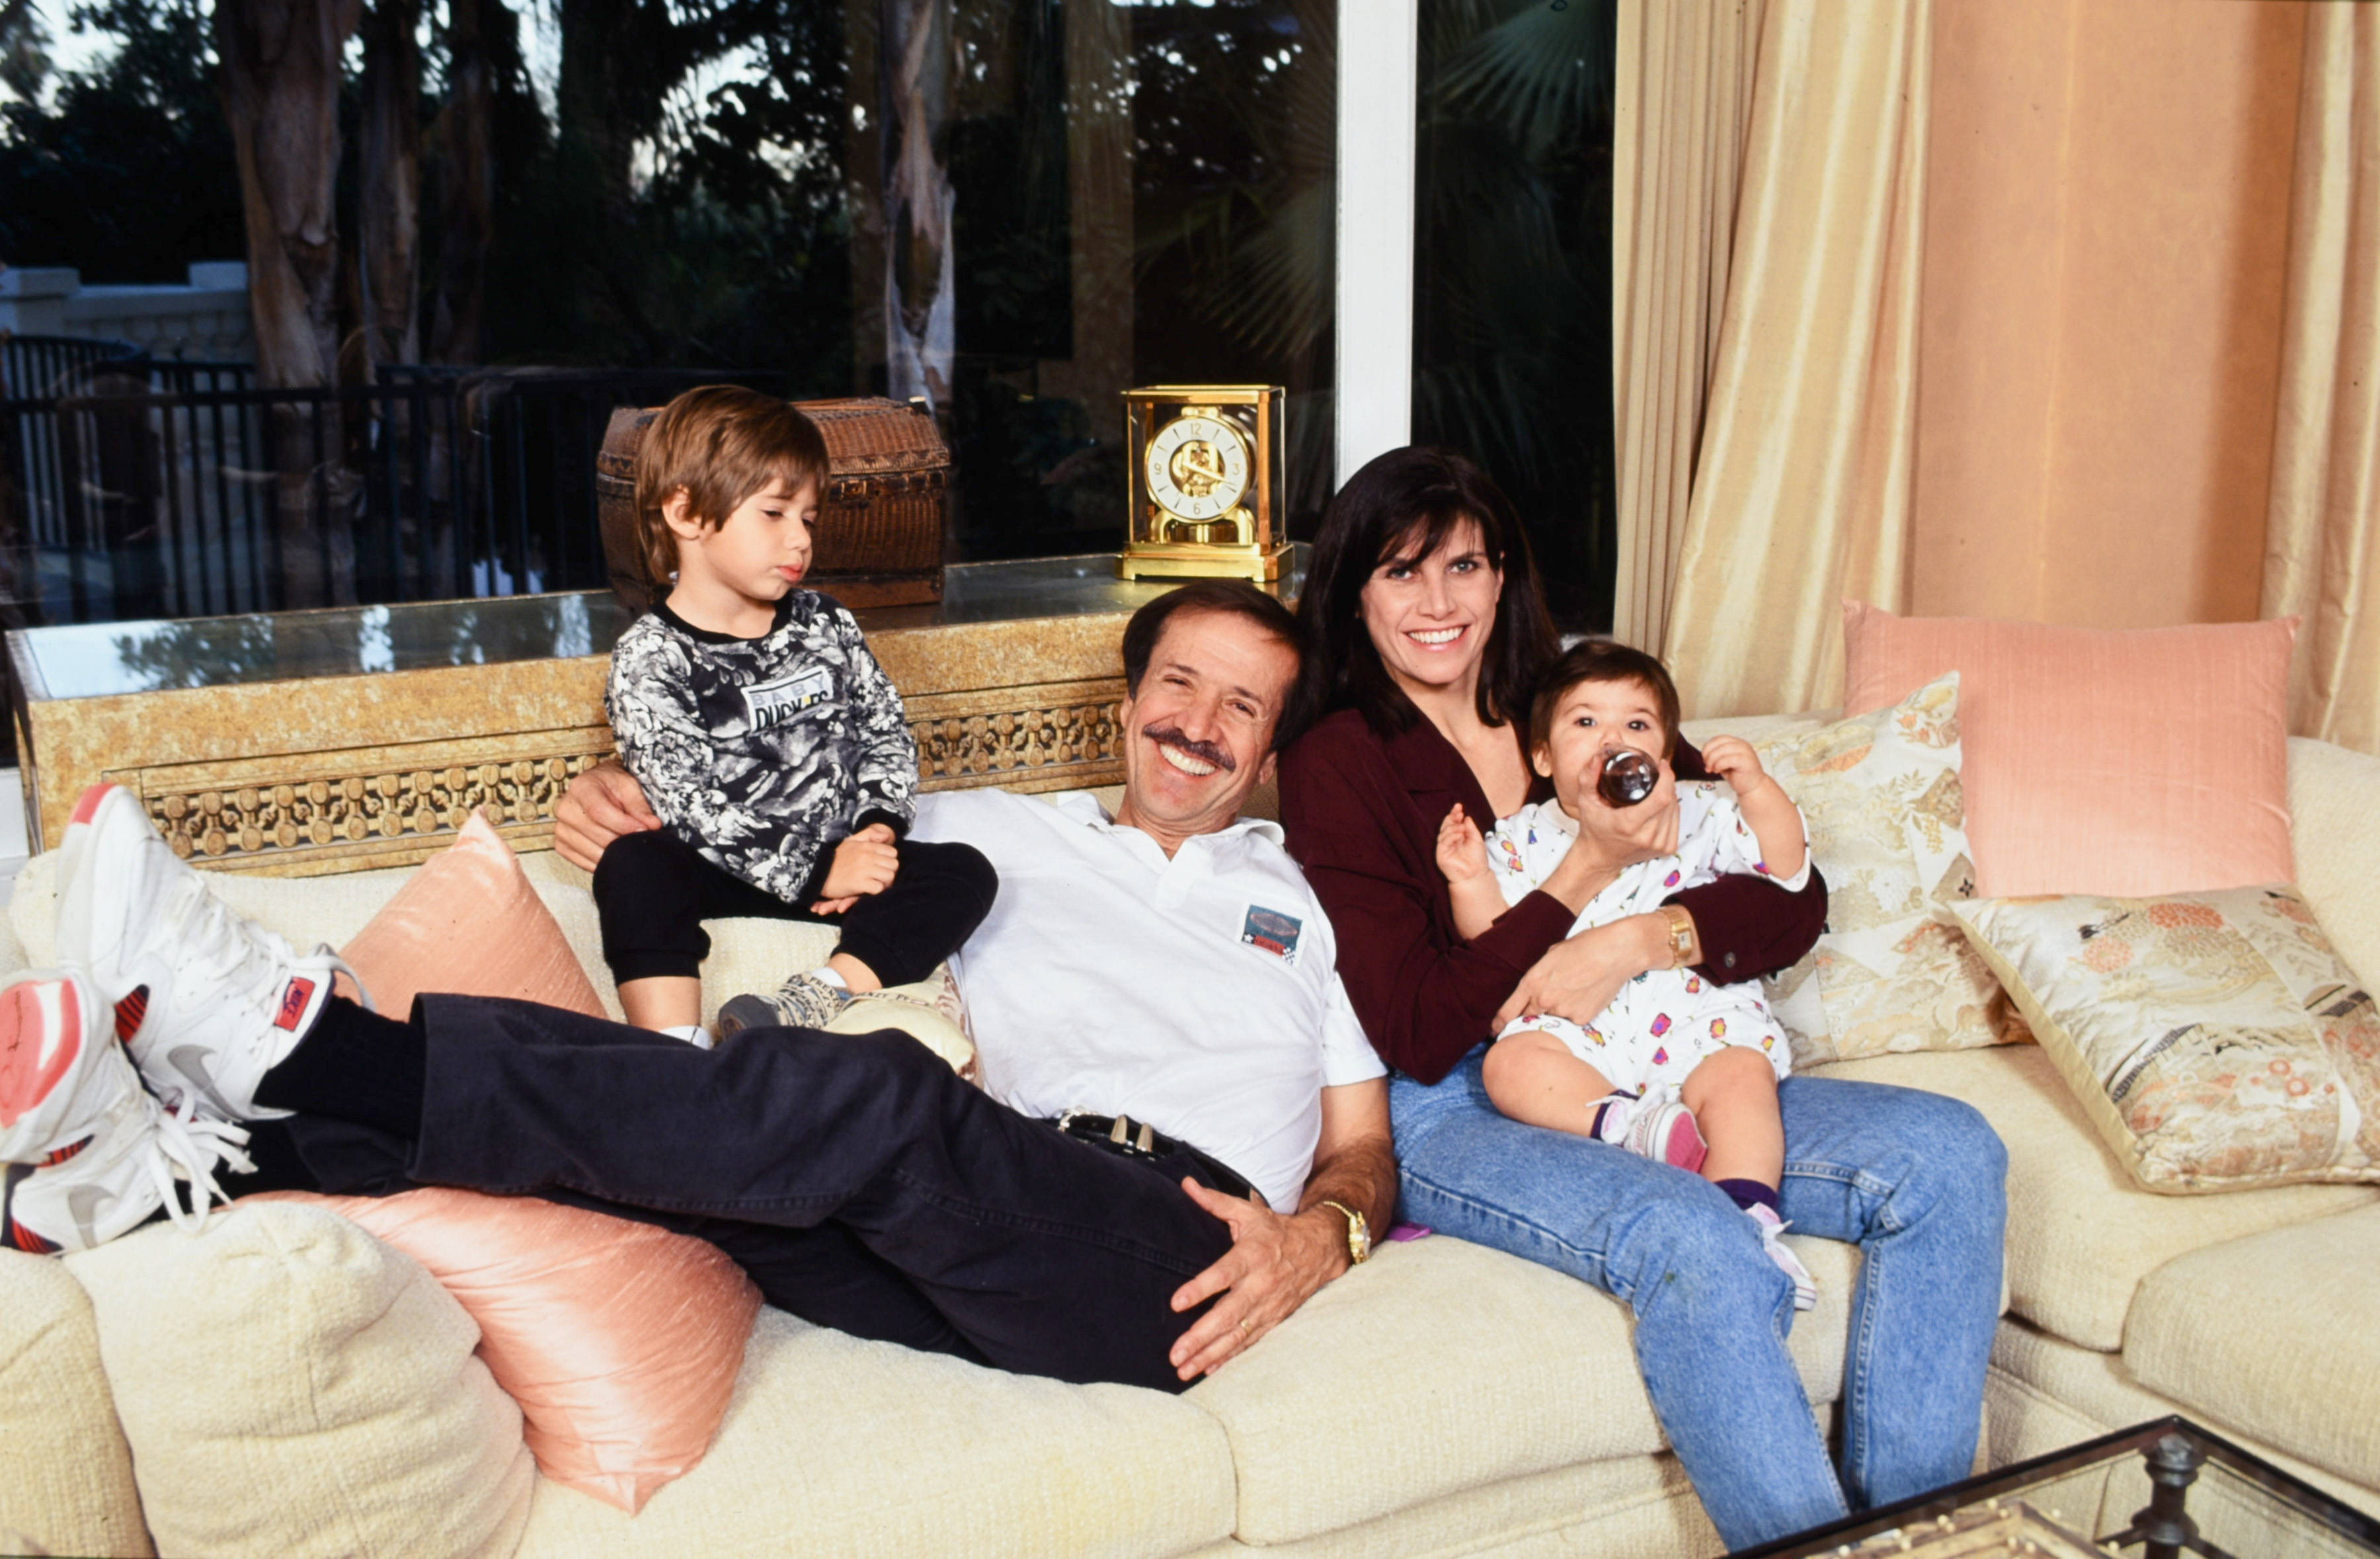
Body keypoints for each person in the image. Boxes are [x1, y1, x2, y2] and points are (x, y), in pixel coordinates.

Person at [3, 582, 1394, 1392]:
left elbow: (1363, 1148)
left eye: (1241, 707)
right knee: (669, 1153)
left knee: (878, 1096)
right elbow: (770, 836)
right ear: (1130, 694)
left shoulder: (1296, 903)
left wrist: (1318, 1241)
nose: (1197, 728)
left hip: (1176, 1254)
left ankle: (310, 1052)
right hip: (983, 1218)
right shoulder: (995, 826)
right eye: (1179, 683)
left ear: (1269, 747)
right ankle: (156, 1174)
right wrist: (637, 801)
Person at [1277, 446, 2007, 1550]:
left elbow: (1783, 907)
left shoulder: (1572, 704)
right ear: (1353, 591)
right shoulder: (1340, 757)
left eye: (1465, 565)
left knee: (1951, 1152)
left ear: (1503, 573)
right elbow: (1419, 1023)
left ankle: (1919, 1537)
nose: (1439, 602)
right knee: (1688, 1228)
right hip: (1470, 1095)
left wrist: (1633, 935)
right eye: (1401, 571)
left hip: (1657, 1039)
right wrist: (1582, 873)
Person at [598, 385, 996, 1043]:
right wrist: (816, 868)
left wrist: (874, 834)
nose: (800, 539)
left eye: (808, 519)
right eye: (775, 513)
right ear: (687, 513)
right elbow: (689, 803)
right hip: (728, 864)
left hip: (846, 860)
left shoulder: (825, 623)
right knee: (635, 866)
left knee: (965, 872)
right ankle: (674, 1052)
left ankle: (817, 995)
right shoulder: (650, 657)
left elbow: (884, 730)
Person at [1441, 637, 1817, 1309]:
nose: (1611, 739)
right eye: (1585, 722)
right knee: (1511, 1067)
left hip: (1696, 1012)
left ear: (1665, 755)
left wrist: (1757, 792)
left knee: (1741, 1082)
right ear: (1543, 756)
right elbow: (1499, 945)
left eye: (1636, 725)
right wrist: (1470, 880)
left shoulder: (1698, 810)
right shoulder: (1525, 835)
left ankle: (1749, 1225)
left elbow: (1786, 871)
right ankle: (1626, 1126)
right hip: (1582, 1029)